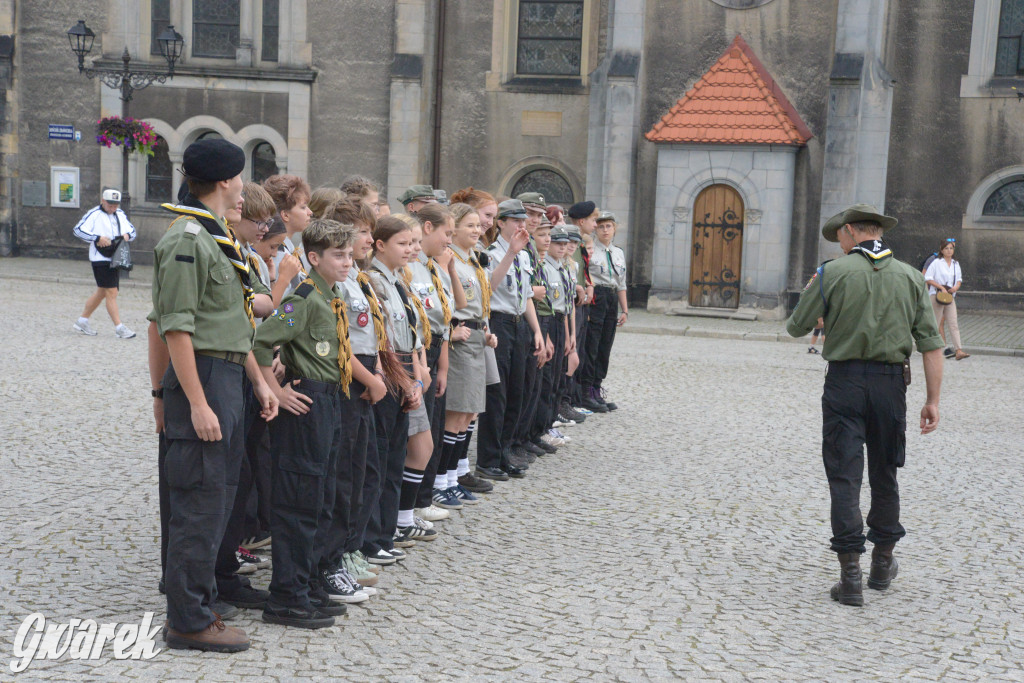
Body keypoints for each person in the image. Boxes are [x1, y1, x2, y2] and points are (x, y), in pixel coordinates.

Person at [152, 138, 279, 652]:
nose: (245, 194)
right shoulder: (188, 240)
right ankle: (187, 620)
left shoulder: (214, 236)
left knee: (219, 499)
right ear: (226, 181)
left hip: (226, 374)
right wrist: (198, 402)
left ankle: (200, 603)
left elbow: (231, 321)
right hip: (202, 378)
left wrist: (254, 379)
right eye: (240, 181)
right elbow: (177, 329)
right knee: (199, 503)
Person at [786, 203, 944, 607]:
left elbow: (796, 327)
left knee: (845, 476)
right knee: (885, 472)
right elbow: (930, 344)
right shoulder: (911, 276)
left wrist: (816, 288)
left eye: (839, 234)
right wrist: (933, 400)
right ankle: (882, 565)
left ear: (852, 232)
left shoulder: (831, 273)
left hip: (845, 383)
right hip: (891, 386)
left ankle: (850, 576)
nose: (838, 241)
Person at [253, 218, 356, 628]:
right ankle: (287, 596)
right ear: (313, 258)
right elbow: (261, 341)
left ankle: (310, 584)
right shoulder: (306, 297)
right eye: (338, 255)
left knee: (322, 498)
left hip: (331, 399)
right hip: (307, 404)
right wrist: (274, 392)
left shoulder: (332, 295)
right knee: (299, 502)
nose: (347, 262)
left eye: (349, 254)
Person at [361, 216, 423, 565]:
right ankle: (372, 538)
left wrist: (414, 378)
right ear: (380, 245)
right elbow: (382, 337)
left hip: (404, 369)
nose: (411, 250)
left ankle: (385, 533)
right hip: (387, 369)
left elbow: (410, 332)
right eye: (403, 243)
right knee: (381, 459)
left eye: (412, 243)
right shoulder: (374, 282)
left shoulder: (399, 280)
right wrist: (400, 377)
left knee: (396, 457)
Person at [476, 199, 543, 481]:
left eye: (522, 220)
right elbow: (488, 289)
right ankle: (488, 459)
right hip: (499, 323)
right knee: (498, 394)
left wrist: (537, 330)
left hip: (519, 324)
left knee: (518, 390)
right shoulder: (490, 253)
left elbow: (526, 296)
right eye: (514, 220)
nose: (520, 225)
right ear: (501, 223)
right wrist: (510, 253)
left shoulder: (526, 256)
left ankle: (504, 452)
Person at [443, 203, 497, 496]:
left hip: (476, 335)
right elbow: (443, 301)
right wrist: (451, 330)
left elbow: (480, 301)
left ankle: (453, 477)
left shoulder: (474, 261)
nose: (477, 230)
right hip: (460, 335)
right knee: (457, 412)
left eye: (479, 225)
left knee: (469, 412)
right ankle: (443, 481)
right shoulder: (449, 259)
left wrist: (486, 331)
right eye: (470, 225)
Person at [72, 188, 138, 338]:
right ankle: (119, 328)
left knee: (102, 292)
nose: (113, 208)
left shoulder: (120, 214)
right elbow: (78, 230)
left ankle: (82, 321)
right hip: (100, 258)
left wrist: (127, 235)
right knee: (111, 292)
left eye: (115, 205)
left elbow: (133, 231)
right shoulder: (94, 214)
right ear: (103, 201)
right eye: (110, 205)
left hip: (115, 257)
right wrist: (96, 238)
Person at [581, 211, 628, 411]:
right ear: (596, 229)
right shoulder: (590, 250)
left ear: (614, 228)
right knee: (592, 343)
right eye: (601, 226)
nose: (605, 230)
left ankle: (597, 387)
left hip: (611, 298)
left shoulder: (618, 253)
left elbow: (621, 283)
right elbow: (583, 275)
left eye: (609, 226)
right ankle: (586, 390)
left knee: (605, 345)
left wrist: (625, 309)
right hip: (596, 296)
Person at [567, 201, 602, 412]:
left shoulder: (581, 243)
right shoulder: (571, 243)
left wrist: (588, 284)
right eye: (593, 220)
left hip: (581, 303)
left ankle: (574, 397)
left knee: (579, 349)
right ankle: (566, 399)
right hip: (572, 302)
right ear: (582, 221)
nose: (596, 225)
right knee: (572, 351)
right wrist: (581, 286)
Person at [924, 239, 970, 361]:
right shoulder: (936, 263)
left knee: (953, 323)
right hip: (937, 295)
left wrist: (956, 287)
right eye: (946, 248)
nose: (949, 250)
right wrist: (940, 287)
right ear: (942, 250)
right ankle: (932, 348)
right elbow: (927, 278)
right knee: (935, 323)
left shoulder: (956, 263)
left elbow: (959, 279)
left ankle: (958, 350)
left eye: (951, 248)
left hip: (949, 297)